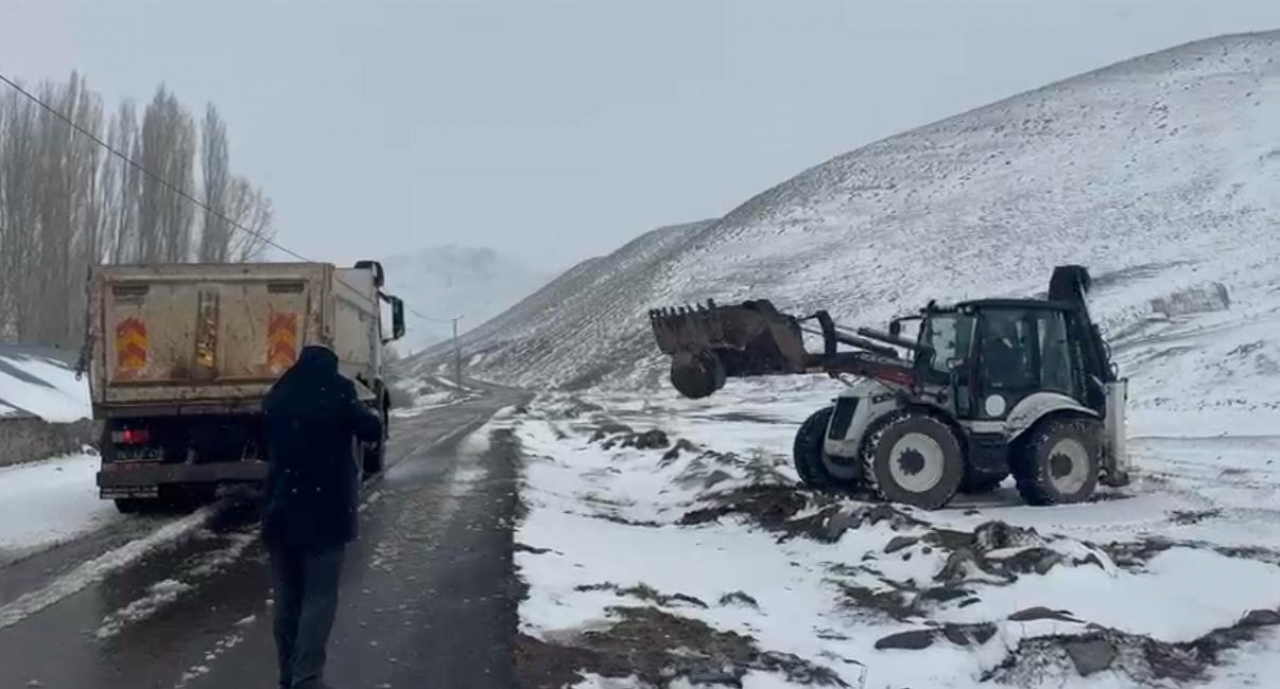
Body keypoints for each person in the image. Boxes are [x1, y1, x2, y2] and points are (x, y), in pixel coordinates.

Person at [261, 343, 382, 689]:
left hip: (281, 511)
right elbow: (370, 430)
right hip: (325, 515)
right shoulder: (339, 390)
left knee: (286, 598)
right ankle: (307, 679)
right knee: (319, 599)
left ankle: (288, 676)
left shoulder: (278, 394)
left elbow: (262, 440)